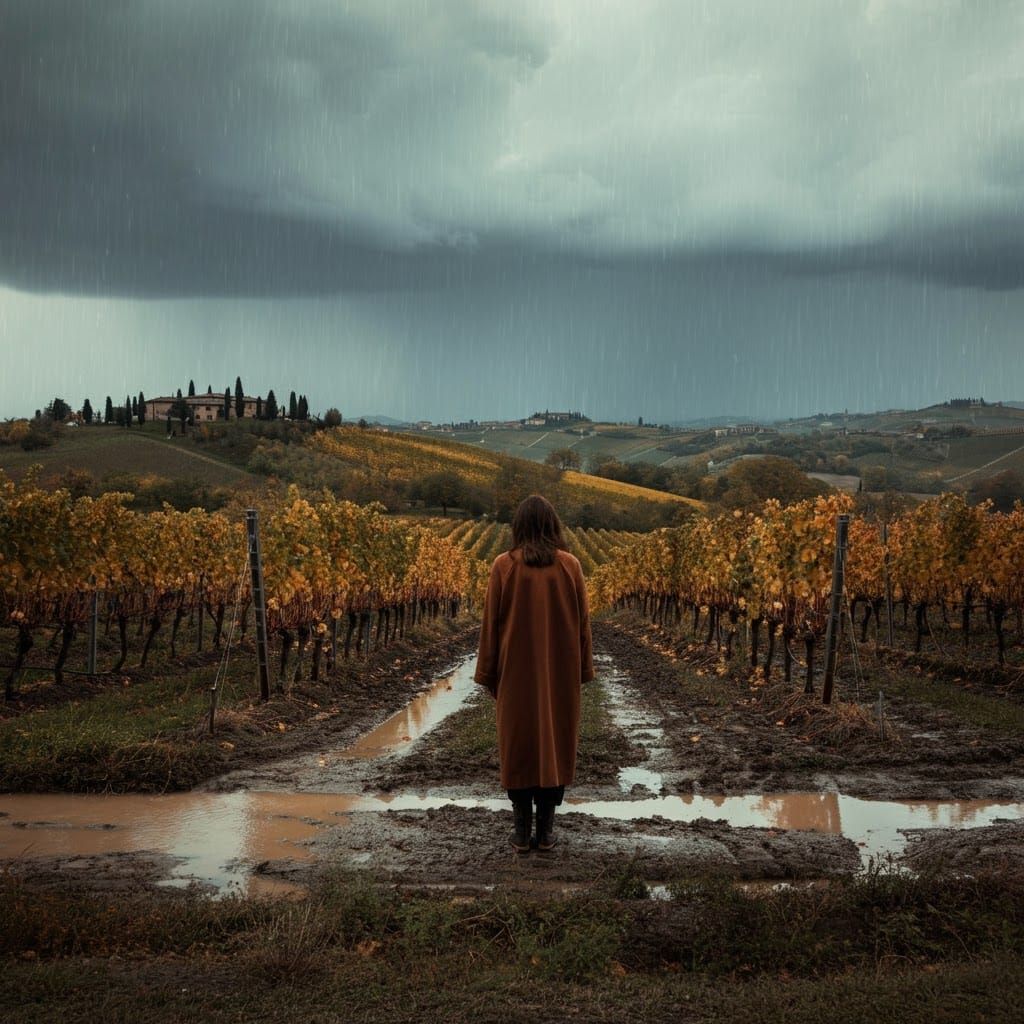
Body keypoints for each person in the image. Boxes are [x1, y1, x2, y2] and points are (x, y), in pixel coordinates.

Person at [473, 494, 595, 854]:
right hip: (560, 674)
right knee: (556, 744)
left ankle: (520, 832)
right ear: (553, 525)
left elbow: (490, 624)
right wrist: (582, 669)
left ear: (519, 527)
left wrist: (488, 671)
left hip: (515, 674)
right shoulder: (571, 566)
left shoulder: (503, 566)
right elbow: (583, 625)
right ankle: (545, 833)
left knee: (518, 745)